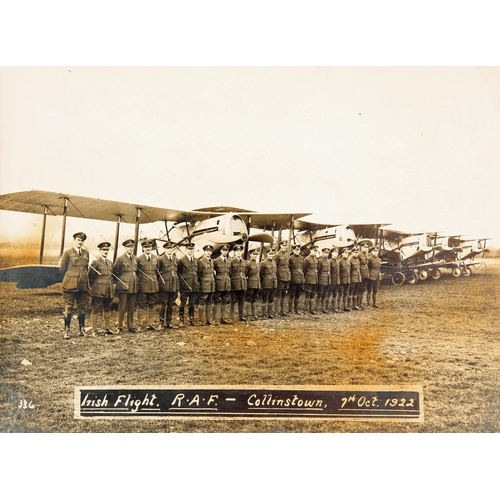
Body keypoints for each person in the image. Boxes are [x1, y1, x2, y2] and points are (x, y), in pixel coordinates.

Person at [59, 231, 91, 339]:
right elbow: (63, 269)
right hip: (70, 285)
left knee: (82, 308)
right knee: (69, 307)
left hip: (83, 285)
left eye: (82, 240)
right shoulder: (68, 252)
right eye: (78, 240)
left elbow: (85, 268)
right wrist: (71, 278)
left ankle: (82, 330)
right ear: (74, 240)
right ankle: (67, 331)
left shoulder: (86, 253)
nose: (80, 242)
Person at [88, 241, 115, 335]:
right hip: (98, 290)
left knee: (107, 308)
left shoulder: (110, 263)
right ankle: (95, 330)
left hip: (108, 290)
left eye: (107, 250)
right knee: (96, 309)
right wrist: (93, 288)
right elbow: (90, 277)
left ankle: (107, 328)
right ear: (99, 251)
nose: (105, 251)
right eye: (103, 250)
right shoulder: (95, 262)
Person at [112, 239, 139, 332]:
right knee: (122, 306)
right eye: (128, 247)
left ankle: (130, 326)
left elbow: (137, 271)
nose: (130, 248)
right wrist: (121, 281)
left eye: (132, 247)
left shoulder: (135, 258)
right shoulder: (120, 258)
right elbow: (115, 272)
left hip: (133, 286)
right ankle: (120, 325)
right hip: (124, 286)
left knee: (132, 307)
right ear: (125, 248)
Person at [136, 239, 159, 331]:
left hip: (153, 285)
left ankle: (150, 323)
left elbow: (157, 271)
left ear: (151, 248)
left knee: (151, 304)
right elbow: (136, 272)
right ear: (142, 248)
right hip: (142, 285)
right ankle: (140, 324)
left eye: (149, 247)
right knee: (141, 304)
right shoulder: (138, 259)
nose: (147, 248)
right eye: (145, 247)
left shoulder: (156, 258)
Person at [157, 241, 179, 329]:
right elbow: (157, 272)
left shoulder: (175, 259)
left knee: (171, 304)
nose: (170, 250)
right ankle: (161, 323)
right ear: (165, 249)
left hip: (173, 285)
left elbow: (178, 271)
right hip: (164, 285)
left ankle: (169, 322)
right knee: (163, 304)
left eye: (171, 248)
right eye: (168, 248)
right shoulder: (161, 259)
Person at [177, 242, 199, 326]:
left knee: (192, 303)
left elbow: (198, 273)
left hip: (194, 285)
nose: (190, 251)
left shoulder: (196, 260)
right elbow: (178, 273)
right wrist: (181, 285)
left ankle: (191, 319)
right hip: (185, 285)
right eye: (189, 249)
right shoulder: (181, 260)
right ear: (186, 250)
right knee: (183, 302)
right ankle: (181, 320)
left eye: (192, 249)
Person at [213, 244, 232, 324]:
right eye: (223, 250)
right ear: (221, 251)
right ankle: (214, 318)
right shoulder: (216, 261)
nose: (225, 252)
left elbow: (230, 273)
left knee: (225, 301)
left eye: (226, 250)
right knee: (216, 301)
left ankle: (223, 318)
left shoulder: (228, 261)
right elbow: (212, 272)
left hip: (226, 284)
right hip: (218, 284)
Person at [197, 244, 216, 326]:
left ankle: (209, 320)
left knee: (209, 302)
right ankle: (201, 320)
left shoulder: (211, 261)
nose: (208, 253)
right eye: (207, 251)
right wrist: (199, 285)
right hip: (204, 285)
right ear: (204, 252)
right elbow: (198, 274)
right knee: (202, 302)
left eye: (210, 251)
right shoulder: (201, 261)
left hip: (211, 285)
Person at [229, 244, 248, 321]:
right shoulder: (232, 262)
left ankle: (241, 316)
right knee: (233, 300)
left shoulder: (244, 262)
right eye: (237, 251)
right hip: (234, 284)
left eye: (240, 251)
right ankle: (231, 316)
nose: (239, 253)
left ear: (242, 252)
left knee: (241, 301)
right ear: (234, 252)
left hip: (243, 283)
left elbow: (245, 273)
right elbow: (229, 273)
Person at [259, 247, 278, 319]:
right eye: (270, 254)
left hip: (273, 283)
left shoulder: (274, 262)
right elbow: (261, 274)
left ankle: (270, 313)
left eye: (272, 254)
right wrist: (261, 284)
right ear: (267, 254)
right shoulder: (264, 263)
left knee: (271, 299)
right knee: (265, 299)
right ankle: (264, 314)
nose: (271, 255)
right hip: (266, 283)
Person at [274, 240, 291, 316]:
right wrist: (276, 277)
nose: (284, 247)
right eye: (283, 245)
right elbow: (274, 267)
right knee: (278, 294)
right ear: (280, 246)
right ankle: (276, 311)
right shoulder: (277, 255)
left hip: (286, 277)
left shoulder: (287, 254)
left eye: (285, 245)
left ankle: (282, 310)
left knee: (284, 294)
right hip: (280, 277)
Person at [288, 244, 305, 314]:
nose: (297, 251)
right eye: (295, 250)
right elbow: (288, 268)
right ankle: (290, 310)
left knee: (298, 295)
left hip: (300, 279)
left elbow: (303, 268)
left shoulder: (302, 258)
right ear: (293, 250)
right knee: (292, 294)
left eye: (298, 250)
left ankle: (296, 309)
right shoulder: (290, 258)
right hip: (293, 279)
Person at [245, 247, 261, 320]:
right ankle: (249, 315)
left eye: (256, 254)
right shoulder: (248, 264)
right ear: (250, 254)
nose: (255, 255)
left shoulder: (257, 263)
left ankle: (254, 314)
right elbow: (245, 274)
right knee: (248, 299)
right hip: (251, 284)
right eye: (253, 254)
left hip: (257, 284)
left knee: (254, 299)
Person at [303, 244, 319, 314]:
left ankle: (311, 309)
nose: (315, 252)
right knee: (307, 293)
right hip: (309, 279)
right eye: (314, 250)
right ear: (310, 250)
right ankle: (306, 310)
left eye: (316, 251)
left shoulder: (315, 258)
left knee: (313, 294)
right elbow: (304, 270)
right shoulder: (307, 259)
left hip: (315, 279)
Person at [317, 247, 331, 313]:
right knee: (320, 294)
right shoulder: (320, 260)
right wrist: (318, 280)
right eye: (325, 252)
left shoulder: (328, 260)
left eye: (328, 253)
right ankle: (317, 308)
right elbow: (318, 271)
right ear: (323, 253)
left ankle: (323, 308)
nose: (326, 254)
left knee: (325, 294)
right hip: (322, 279)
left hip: (327, 279)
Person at [348, 246, 362, 310]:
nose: (356, 254)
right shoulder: (350, 259)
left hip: (358, 278)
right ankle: (348, 305)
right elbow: (349, 270)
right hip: (352, 278)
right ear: (352, 253)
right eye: (355, 252)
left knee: (356, 291)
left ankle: (354, 305)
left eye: (357, 252)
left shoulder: (357, 259)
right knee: (351, 291)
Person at [357, 242, 370, 309]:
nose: (366, 248)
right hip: (361, 274)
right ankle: (357, 304)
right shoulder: (359, 255)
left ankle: (361, 303)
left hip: (365, 273)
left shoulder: (366, 255)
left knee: (363, 289)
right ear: (361, 247)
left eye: (367, 247)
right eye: (364, 247)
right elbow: (357, 265)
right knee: (359, 289)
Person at [338, 247, 351, 312]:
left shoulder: (348, 261)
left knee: (346, 294)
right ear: (342, 254)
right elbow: (338, 272)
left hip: (347, 280)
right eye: (345, 253)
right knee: (340, 294)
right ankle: (339, 307)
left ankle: (345, 306)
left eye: (347, 253)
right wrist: (339, 280)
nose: (346, 254)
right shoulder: (340, 261)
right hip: (342, 280)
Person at [329, 247, 341, 313]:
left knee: (335, 294)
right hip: (332, 280)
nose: (336, 254)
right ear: (332, 253)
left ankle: (334, 307)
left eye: (337, 252)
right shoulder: (330, 261)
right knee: (329, 294)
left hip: (337, 280)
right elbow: (329, 272)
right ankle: (327, 308)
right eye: (335, 252)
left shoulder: (337, 261)